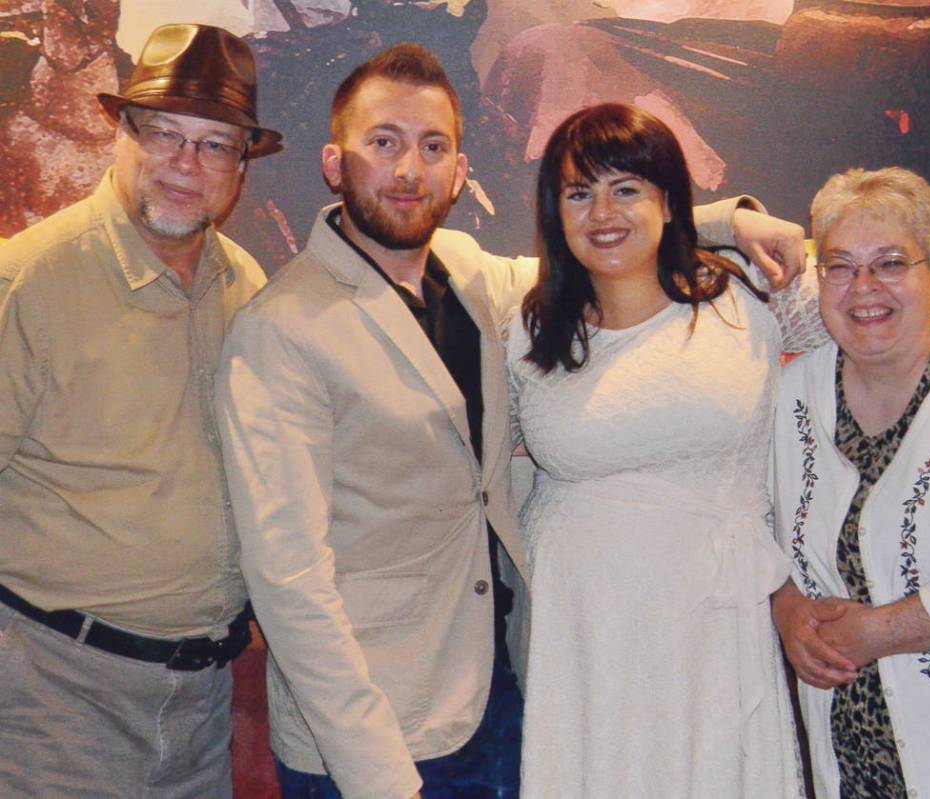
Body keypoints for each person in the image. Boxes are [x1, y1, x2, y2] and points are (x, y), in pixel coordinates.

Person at [214, 45, 806, 799]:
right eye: (382, 142)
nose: (407, 171)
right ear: (334, 163)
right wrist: (376, 776)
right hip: (373, 737)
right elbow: (288, 579)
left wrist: (725, 220)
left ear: (460, 174)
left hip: (501, 696)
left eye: (432, 147)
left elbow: (599, 247)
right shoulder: (281, 329)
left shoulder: (467, 271)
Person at [0, 24, 282, 799]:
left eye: (215, 145)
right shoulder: (31, 283)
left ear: (241, 165)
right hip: (54, 708)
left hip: (202, 711)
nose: (186, 165)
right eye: (164, 134)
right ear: (121, 132)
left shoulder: (245, 285)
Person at [505, 102, 806, 797]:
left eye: (626, 188)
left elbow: (896, 303)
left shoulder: (747, 297)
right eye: (578, 192)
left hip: (711, 635)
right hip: (582, 643)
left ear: (669, 200)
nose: (602, 211)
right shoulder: (527, 329)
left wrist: (733, 220)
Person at [771, 167, 930, 799]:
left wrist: (877, 631)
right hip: (848, 759)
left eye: (891, 263)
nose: (863, 288)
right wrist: (787, 609)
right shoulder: (793, 391)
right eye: (840, 267)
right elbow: (755, 528)